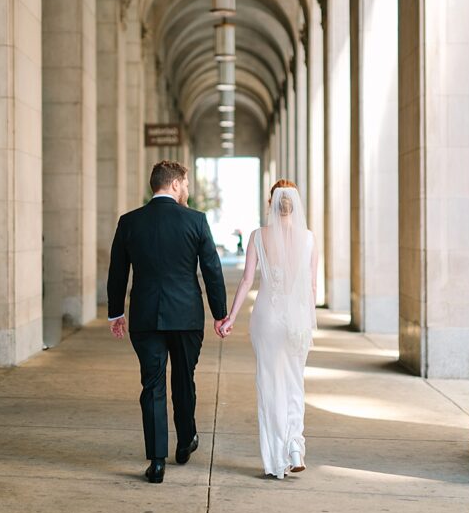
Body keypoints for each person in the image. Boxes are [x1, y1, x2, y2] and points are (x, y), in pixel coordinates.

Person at [107, 160, 228, 484]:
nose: (187, 189)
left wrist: (116, 312)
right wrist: (220, 314)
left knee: (153, 385)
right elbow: (212, 271)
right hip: (186, 316)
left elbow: (118, 271)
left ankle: (157, 461)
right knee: (184, 379)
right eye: (185, 184)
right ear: (174, 184)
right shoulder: (196, 221)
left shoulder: (130, 222)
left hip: (145, 316)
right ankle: (186, 439)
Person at [219, 179, 317, 478]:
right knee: (294, 383)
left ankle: (276, 460)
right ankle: (295, 447)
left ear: (271, 204)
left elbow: (248, 281)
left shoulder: (258, 236)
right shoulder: (309, 238)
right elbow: (311, 288)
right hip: (296, 320)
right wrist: (307, 324)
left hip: (267, 317)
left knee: (269, 384)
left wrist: (231, 317)